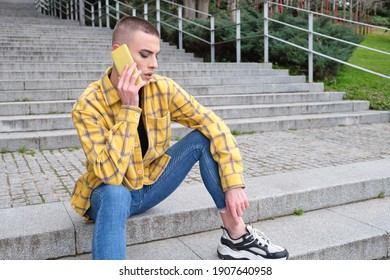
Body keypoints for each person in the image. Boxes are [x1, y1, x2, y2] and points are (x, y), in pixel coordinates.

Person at [70, 15, 288, 260]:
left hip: (149, 185)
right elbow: (110, 174)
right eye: (145, 54)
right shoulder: (89, 104)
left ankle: (235, 236)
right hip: (106, 197)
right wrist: (129, 109)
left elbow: (212, 123)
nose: (154, 64)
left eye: (156, 55)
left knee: (203, 138)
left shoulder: (162, 89)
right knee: (115, 192)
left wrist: (233, 183)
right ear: (118, 53)